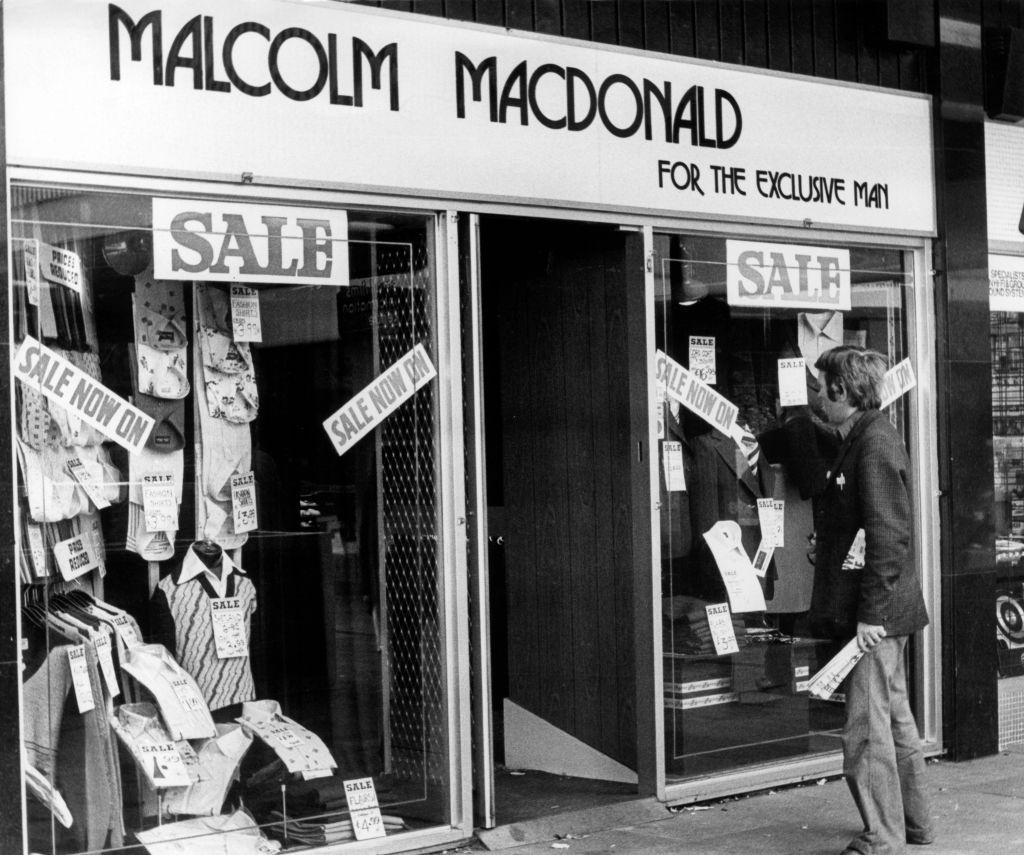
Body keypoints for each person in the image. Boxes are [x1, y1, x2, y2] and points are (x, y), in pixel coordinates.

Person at [808, 346, 933, 855]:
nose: (817, 397)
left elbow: (889, 535)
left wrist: (870, 618)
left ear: (842, 390)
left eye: (822, 388)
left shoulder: (873, 443)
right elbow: (871, 527)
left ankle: (882, 838)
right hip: (884, 612)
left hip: (875, 617)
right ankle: (915, 826)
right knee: (896, 720)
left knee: (865, 729)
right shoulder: (866, 437)